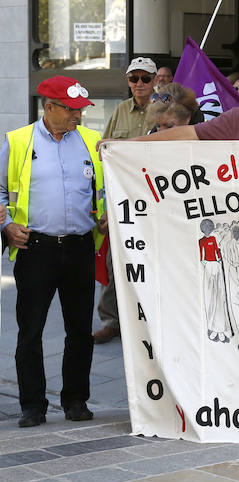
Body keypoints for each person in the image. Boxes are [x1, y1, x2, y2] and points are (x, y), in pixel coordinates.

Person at [0, 76, 106, 427]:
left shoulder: (92, 142)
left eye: (80, 110)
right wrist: (5, 226)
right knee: (30, 331)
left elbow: (106, 190)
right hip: (35, 248)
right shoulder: (17, 142)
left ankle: (76, 400)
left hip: (79, 248)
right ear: (50, 108)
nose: (79, 116)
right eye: (73, 110)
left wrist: (107, 218)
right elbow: (0, 191)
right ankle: (33, 405)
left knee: (80, 330)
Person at [93, 56, 158, 345]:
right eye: (134, 79)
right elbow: (104, 153)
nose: (140, 84)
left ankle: (152, 321)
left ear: (155, 80)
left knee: (153, 262)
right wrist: (105, 206)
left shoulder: (166, 110)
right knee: (115, 262)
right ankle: (111, 320)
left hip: (156, 201)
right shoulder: (120, 110)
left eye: (145, 78)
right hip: (122, 202)